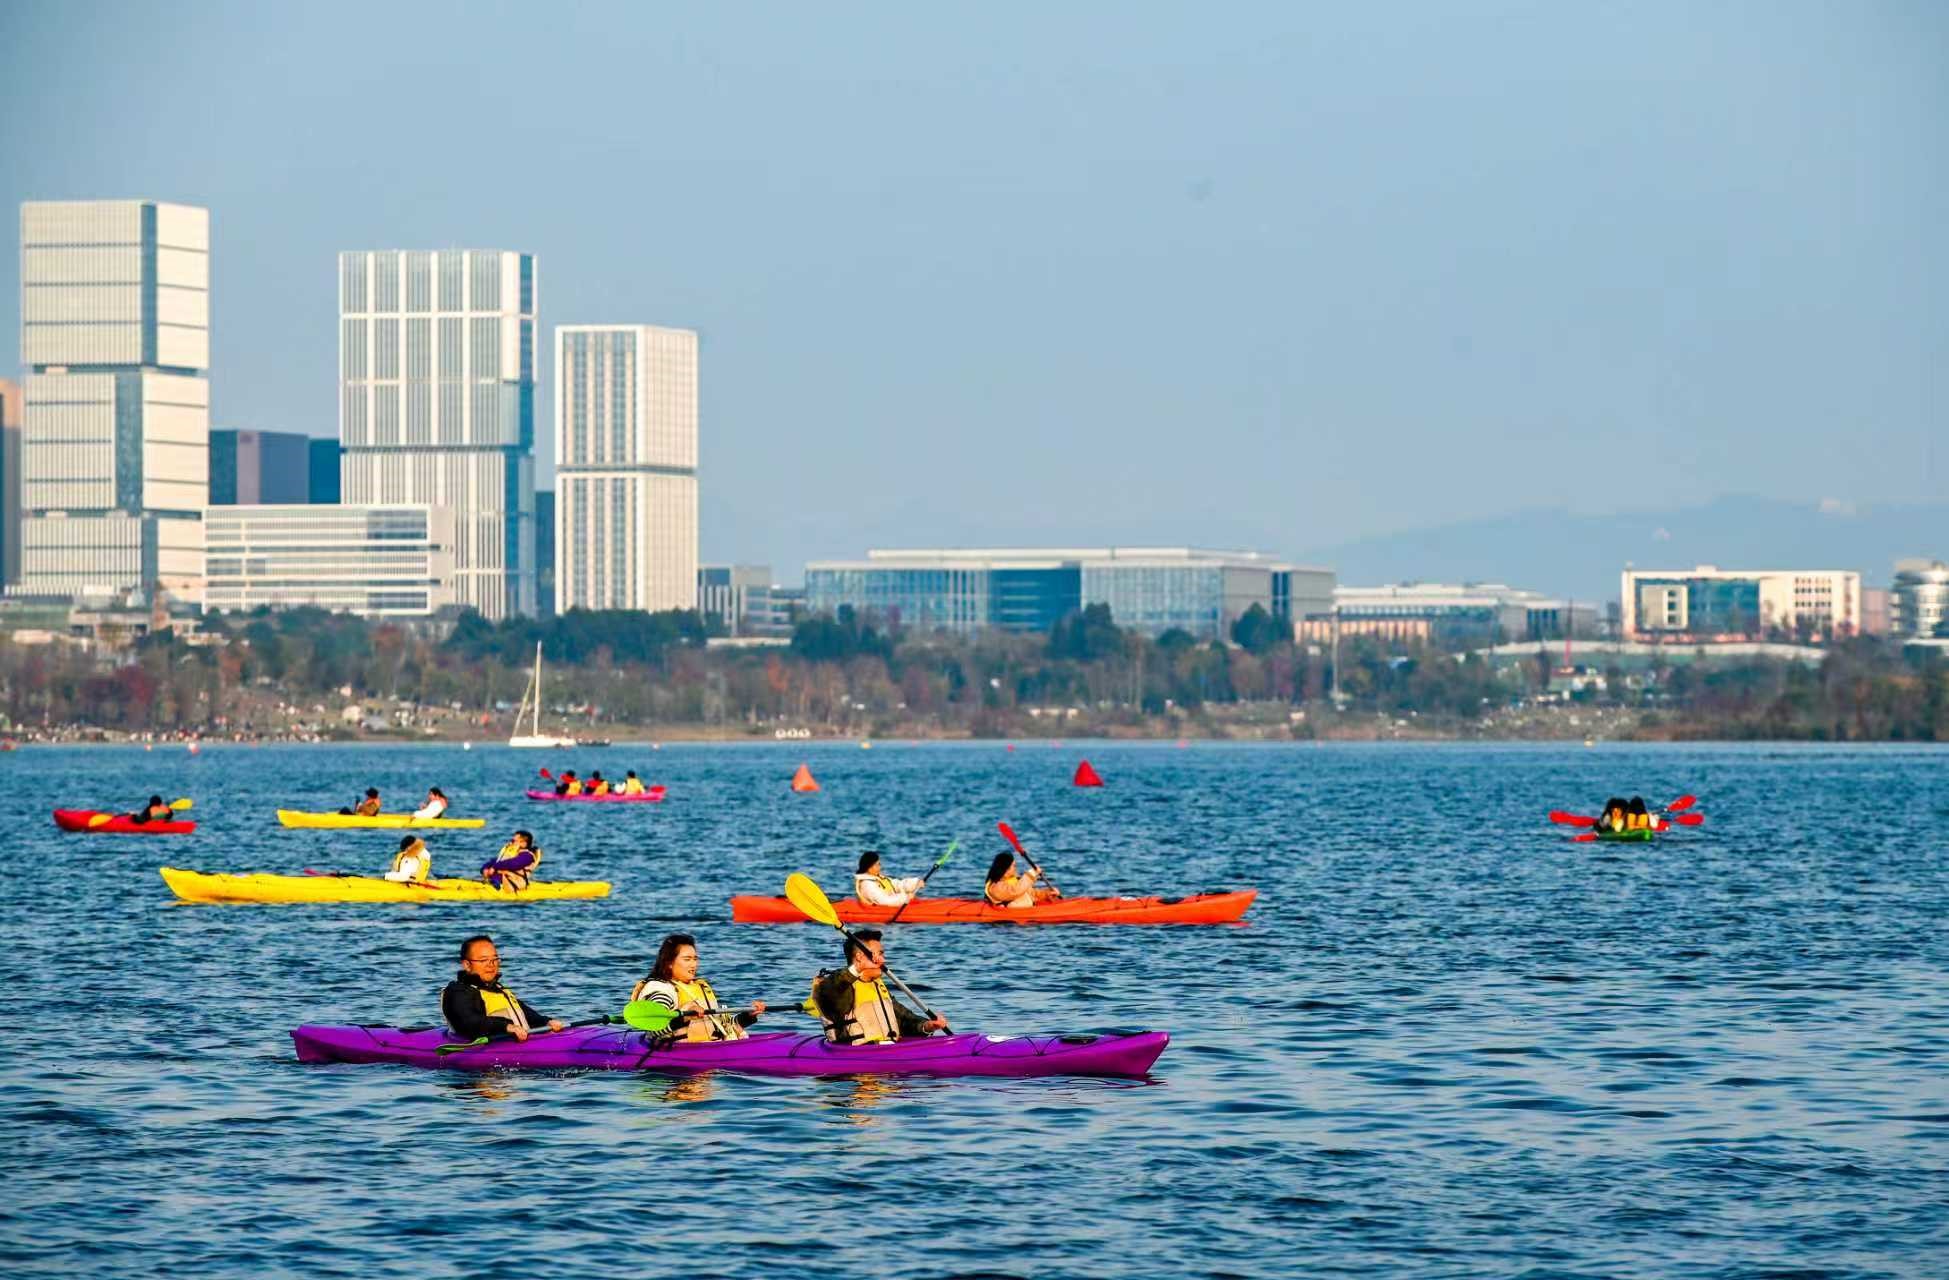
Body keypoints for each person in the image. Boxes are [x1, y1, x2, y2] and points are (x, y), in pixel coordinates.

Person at [809, 929, 947, 1044]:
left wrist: (927, 1026)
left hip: (886, 1052)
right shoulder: (837, 986)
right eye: (879, 954)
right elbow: (833, 991)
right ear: (859, 957)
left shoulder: (877, 985)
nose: (883, 960)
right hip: (856, 1060)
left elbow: (904, 1019)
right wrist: (858, 967)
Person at [623, 933, 765, 1041]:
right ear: (669, 963)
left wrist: (748, 1016)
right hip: (678, 1061)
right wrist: (684, 1018)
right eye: (687, 959)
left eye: (695, 959)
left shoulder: (699, 987)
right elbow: (654, 1031)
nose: (693, 964)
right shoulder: (662, 990)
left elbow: (723, 1028)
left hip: (711, 1050)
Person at [442, 935, 563, 1042]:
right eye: (483, 960)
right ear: (467, 965)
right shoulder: (458, 992)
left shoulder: (498, 989)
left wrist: (546, 1021)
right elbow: (469, 1021)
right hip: (489, 1050)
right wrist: (506, 1027)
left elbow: (525, 1012)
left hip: (518, 1042)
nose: (491, 965)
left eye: (495, 959)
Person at [985, 852, 1059, 908]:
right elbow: (1015, 891)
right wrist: (1031, 874)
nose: (1015, 868)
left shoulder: (1013, 881)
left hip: (1028, 914)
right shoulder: (995, 887)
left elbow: (1032, 894)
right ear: (1006, 869)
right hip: (1012, 922)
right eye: (1014, 866)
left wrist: (1047, 893)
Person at [854, 851, 925, 907]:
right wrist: (906, 897)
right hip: (882, 911)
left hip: (895, 904)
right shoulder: (867, 885)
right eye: (877, 865)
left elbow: (897, 885)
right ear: (869, 868)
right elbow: (885, 901)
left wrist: (915, 883)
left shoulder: (879, 878)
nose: (880, 867)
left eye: (879, 864)